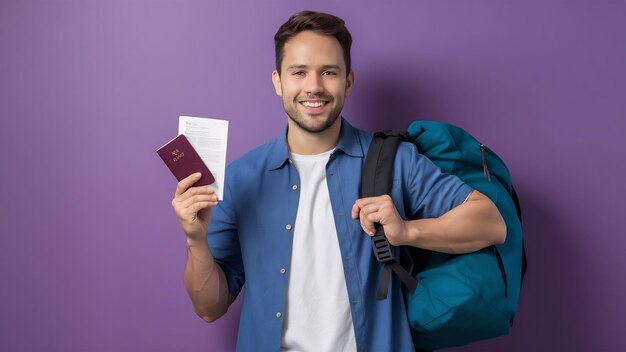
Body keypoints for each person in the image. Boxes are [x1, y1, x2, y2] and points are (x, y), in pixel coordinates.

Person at [171, 10, 506, 351]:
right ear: (278, 81)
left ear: (348, 81)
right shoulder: (241, 177)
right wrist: (195, 239)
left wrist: (408, 231)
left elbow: (492, 223)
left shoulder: (395, 161)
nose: (314, 87)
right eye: (299, 72)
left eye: (328, 72)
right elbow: (209, 308)